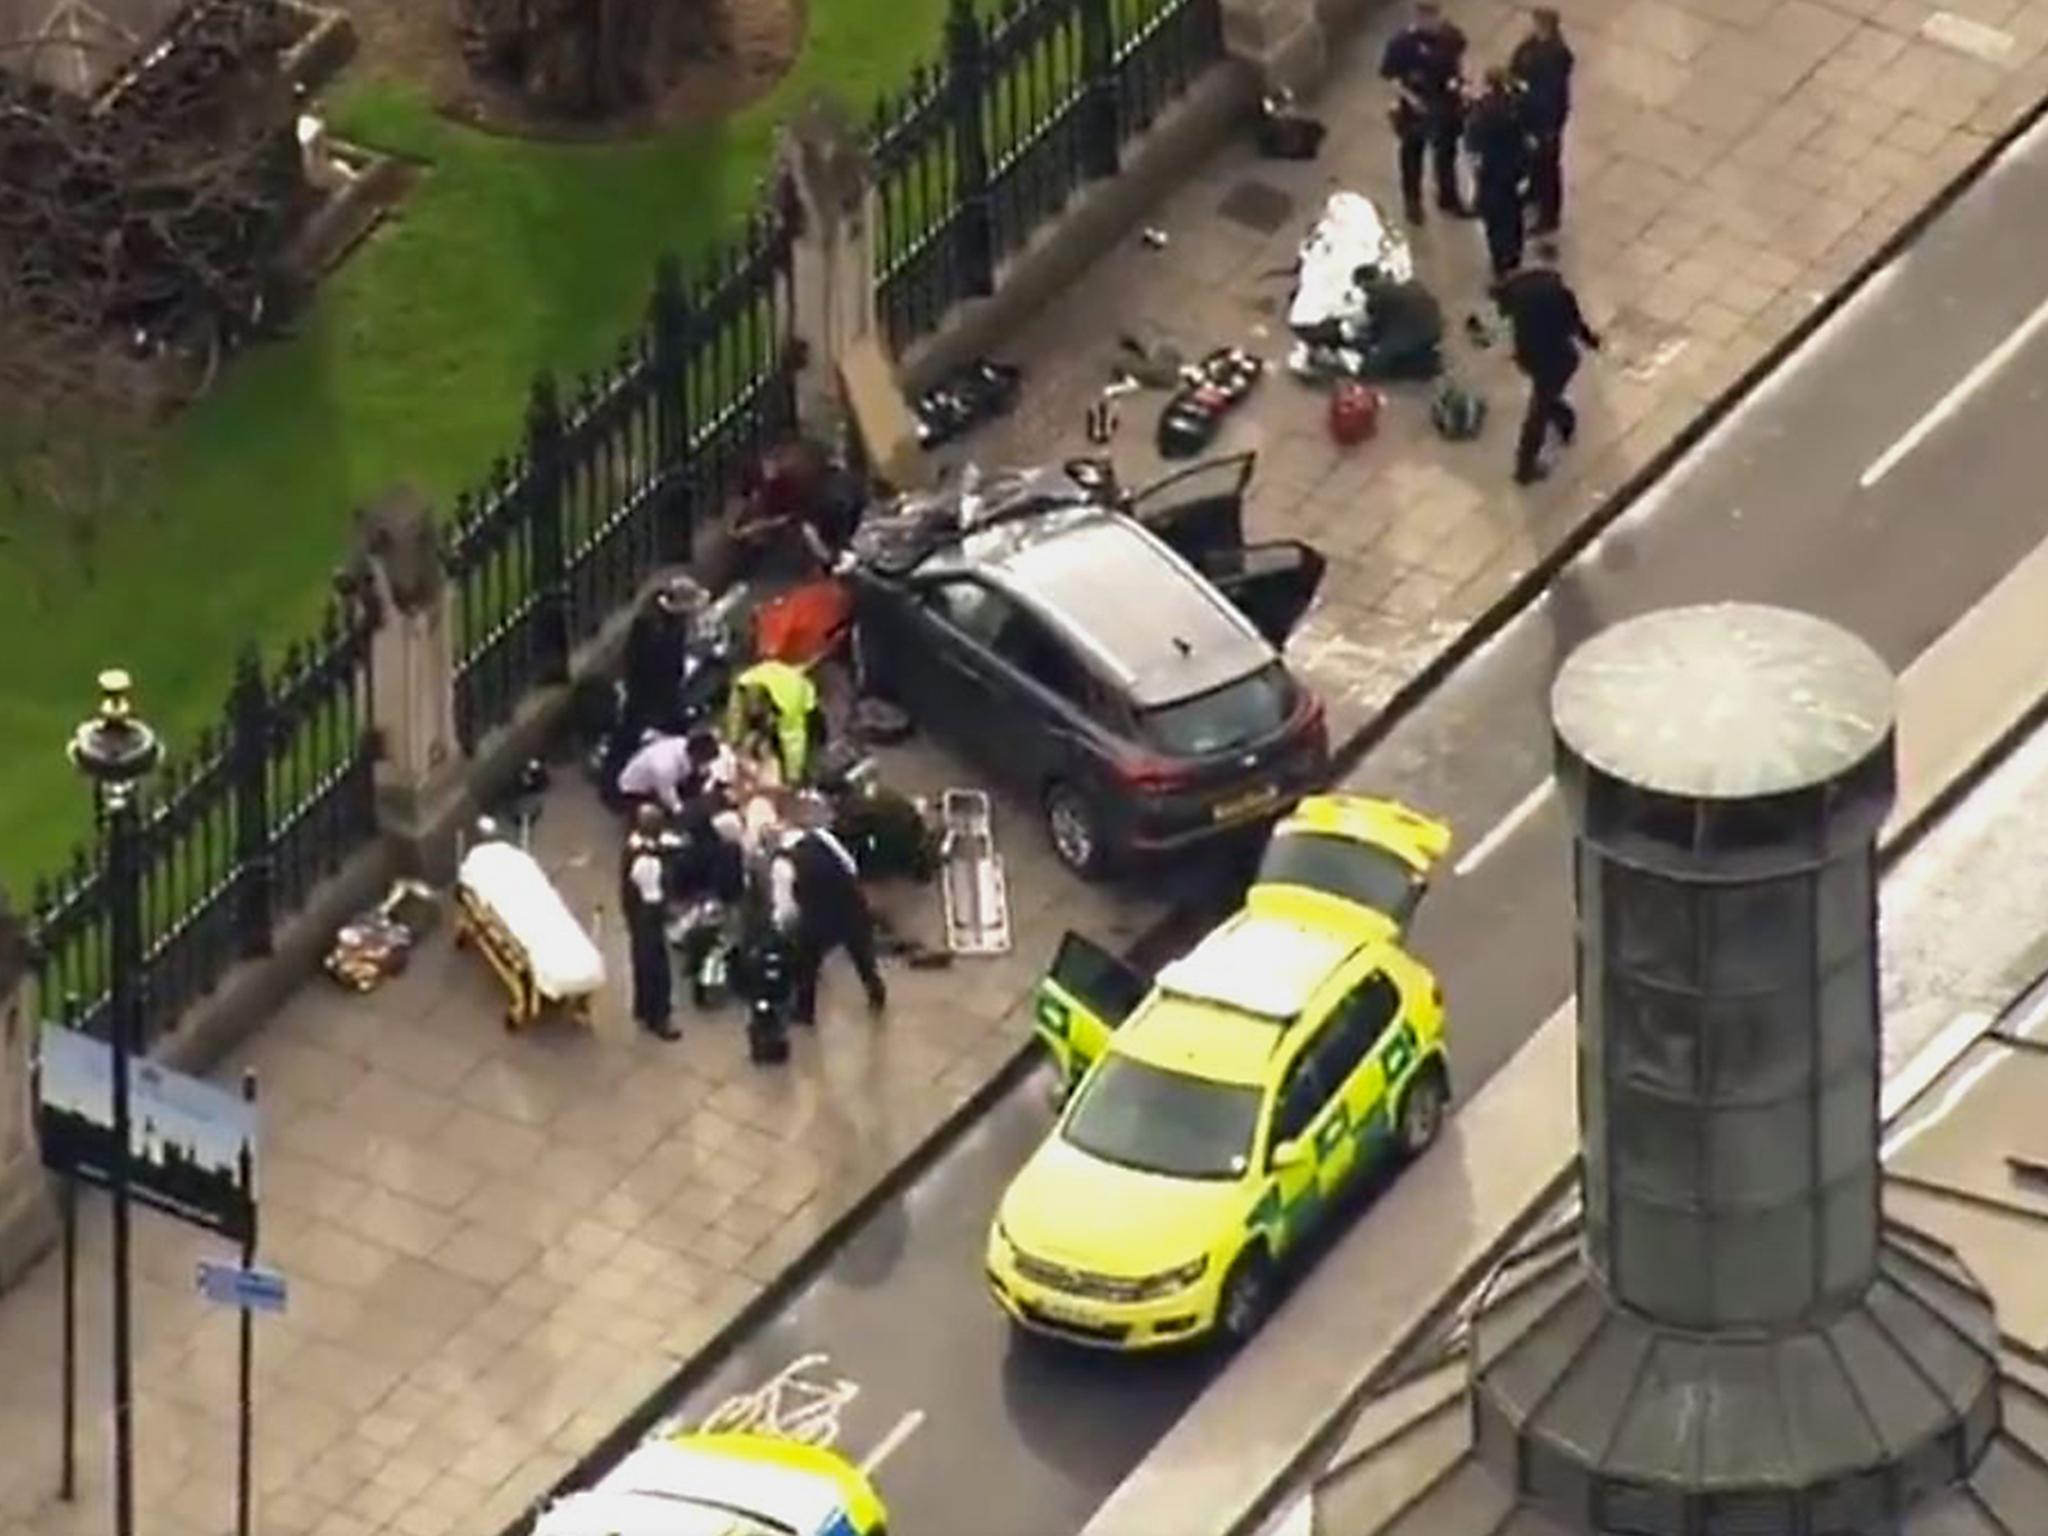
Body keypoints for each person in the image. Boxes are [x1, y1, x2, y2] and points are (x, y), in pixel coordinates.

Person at [1492, 243, 1602, 486]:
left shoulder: (1515, 285)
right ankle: (1525, 466)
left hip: (1528, 354)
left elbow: (1499, 302)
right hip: (1555, 356)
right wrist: (1592, 341)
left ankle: (1563, 419)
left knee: (1544, 393)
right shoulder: (1560, 292)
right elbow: (1575, 325)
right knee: (1539, 409)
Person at [770, 800, 887, 1027]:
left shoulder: (783, 864)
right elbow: (850, 868)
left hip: (818, 917)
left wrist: (780, 929)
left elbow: (786, 910)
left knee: (807, 963)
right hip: (852, 906)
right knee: (862, 955)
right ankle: (876, 992)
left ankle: (805, 1012)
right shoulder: (823, 838)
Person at [1380, 0, 1471, 225]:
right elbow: (1390, 76)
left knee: (1446, 154)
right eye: (1425, 15)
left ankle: (1448, 198)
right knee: (1412, 155)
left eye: (1434, 15)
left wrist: (1460, 85)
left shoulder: (1450, 37)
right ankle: (1413, 202)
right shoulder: (1402, 44)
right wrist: (1410, 98)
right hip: (1416, 107)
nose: (1431, 21)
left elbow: (1456, 63)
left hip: (1446, 103)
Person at [1511, 7, 1574, 235]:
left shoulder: (1556, 55)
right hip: (1529, 115)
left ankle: (1549, 216)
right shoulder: (1530, 46)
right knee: (1534, 162)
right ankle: (1534, 192)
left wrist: (1548, 128)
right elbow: (1516, 66)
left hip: (1546, 122)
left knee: (1548, 167)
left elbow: (1552, 94)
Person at [1465, 68, 1532, 281]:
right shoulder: (1515, 105)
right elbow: (1525, 140)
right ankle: (1514, 257)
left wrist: (1476, 170)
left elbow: (1473, 148)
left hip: (1491, 175)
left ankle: (1501, 265)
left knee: (1495, 223)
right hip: (1513, 171)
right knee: (1513, 218)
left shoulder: (1481, 112)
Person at [621, 805, 679, 1040]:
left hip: (636, 912)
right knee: (656, 965)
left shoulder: (633, 847)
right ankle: (659, 1016)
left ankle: (643, 1007)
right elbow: (653, 892)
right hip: (648, 913)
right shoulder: (646, 861)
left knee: (641, 960)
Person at [725, 658, 825, 787]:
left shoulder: (789, 705)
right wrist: (734, 740)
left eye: (757, 709)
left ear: (766, 702)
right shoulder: (743, 684)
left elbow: (794, 740)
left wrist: (793, 776)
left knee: (807, 747)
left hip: (804, 701)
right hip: (776, 674)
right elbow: (735, 712)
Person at [622, 577, 696, 738]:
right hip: (650, 686)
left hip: (659, 685)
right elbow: (652, 663)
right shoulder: (654, 629)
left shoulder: (671, 624)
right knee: (638, 722)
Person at [616, 730, 698, 817]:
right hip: (632, 789)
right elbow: (666, 792)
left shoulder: (681, 743)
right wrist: (678, 809)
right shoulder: (668, 765)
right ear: (697, 752)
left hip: (652, 783)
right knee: (653, 817)